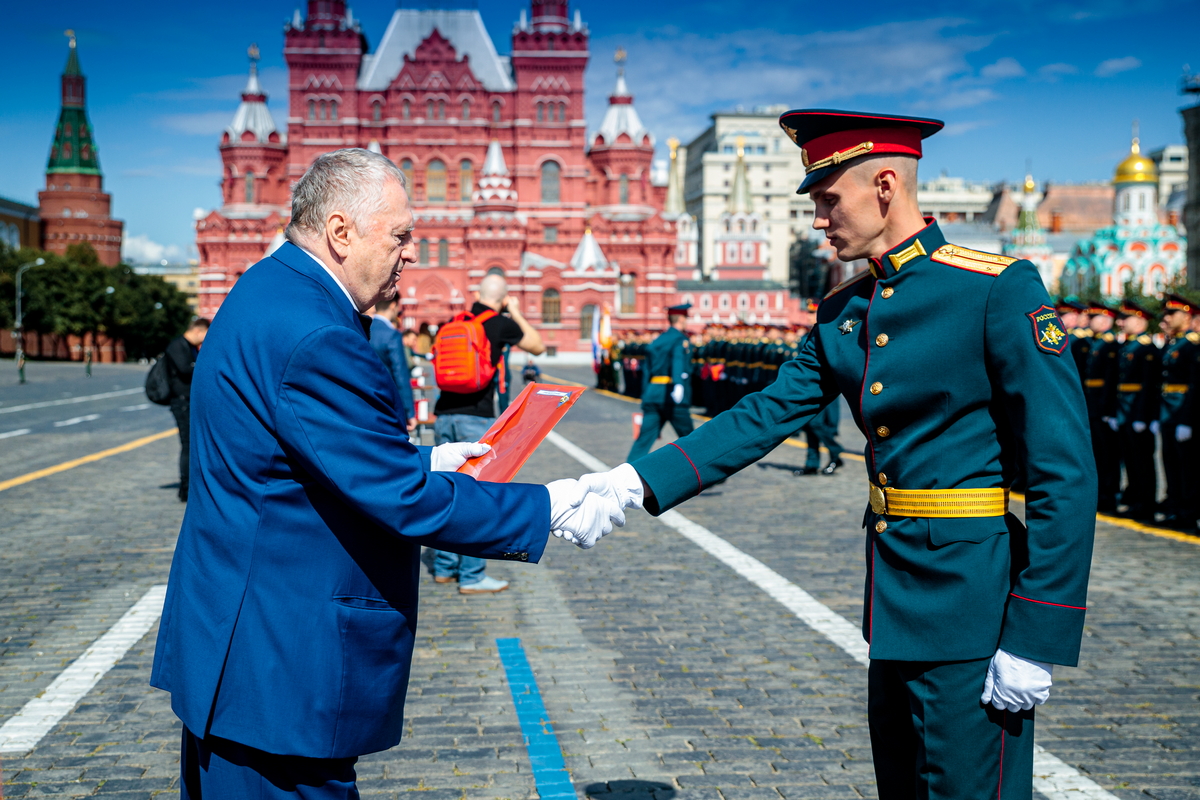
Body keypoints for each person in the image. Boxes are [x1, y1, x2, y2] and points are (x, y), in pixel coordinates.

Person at [583, 110, 1096, 799]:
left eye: (828, 199)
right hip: (892, 600)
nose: (818, 219)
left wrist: (1038, 632)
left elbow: (1064, 471)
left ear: (884, 184)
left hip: (974, 605)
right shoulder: (845, 310)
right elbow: (766, 413)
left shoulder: (995, 289)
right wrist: (632, 483)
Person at [150, 148, 621, 800]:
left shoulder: (265, 289)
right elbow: (400, 501)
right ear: (341, 233)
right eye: (400, 235)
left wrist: (423, 459)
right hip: (279, 663)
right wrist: (551, 507)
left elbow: (287, 457)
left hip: (235, 647)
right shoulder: (321, 334)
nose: (411, 255)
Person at [430, 272, 546, 593]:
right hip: (475, 418)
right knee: (476, 497)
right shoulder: (498, 324)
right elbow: (537, 345)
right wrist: (516, 311)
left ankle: (444, 567)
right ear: (503, 297)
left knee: (446, 490)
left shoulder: (456, 321)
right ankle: (472, 575)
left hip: (443, 415)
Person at [627, 304, 695, 462]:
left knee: (643, 441)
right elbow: (677, 359)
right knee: (691, 439)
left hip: (652, 394)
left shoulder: (657, 341)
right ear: (680, 319)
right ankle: (708, 473)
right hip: (671, 395)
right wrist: (678, 384)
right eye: (685, 318)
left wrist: (645, 395)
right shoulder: (680, 340)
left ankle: (624, 474)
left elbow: (647, 371)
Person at [1156, 294, 1200, 530]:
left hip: (1182, 411)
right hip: (1167, 412)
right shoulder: (1173, 343)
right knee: (1170, 462)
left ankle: (1188, 511)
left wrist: (1186, 420)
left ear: (1186, 316)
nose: (1166, 318)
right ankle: (1175, 506)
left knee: (1187, 467)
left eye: (1172, 314)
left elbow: (1194, 385)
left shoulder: (1191, 344)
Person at [1114, 300, 1159, 521]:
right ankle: (1136, 501)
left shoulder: (1146, 348)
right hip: (1126, 412)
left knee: (1143, 462)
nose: (1120, 322)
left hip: (1138, 413)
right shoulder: (1128, 346)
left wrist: (1143, 416)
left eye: (1126, 318)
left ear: (1140, 320)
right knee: (1131, 461)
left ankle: (1146, 504)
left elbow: (1149, 386)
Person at [163, 318, 210, 502]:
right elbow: (185, 369)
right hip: (181, 402)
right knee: (188, 445)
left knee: (192, 444)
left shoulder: (189, 347)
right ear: (198, 330)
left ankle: (190, 486)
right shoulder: (178, 345)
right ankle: (186, 489)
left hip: (188, 401)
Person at [1082, 304, 1121, 513]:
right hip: (1094, 405)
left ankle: (1110, 493)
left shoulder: (1110, 345)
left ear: (1106, 321)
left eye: (1095, 318)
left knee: (1108, 455)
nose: (1091, 321)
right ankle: (1103, 493)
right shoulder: (1098, 343)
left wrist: (1109, 410)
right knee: (1098, 453)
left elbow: (1111, 380)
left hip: (1103, 408)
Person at [368, 295, 415, 430]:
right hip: (387, 403)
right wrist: (409, 412)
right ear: (393, 305)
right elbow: (400, 375)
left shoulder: (363, 328)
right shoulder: (392, 335)